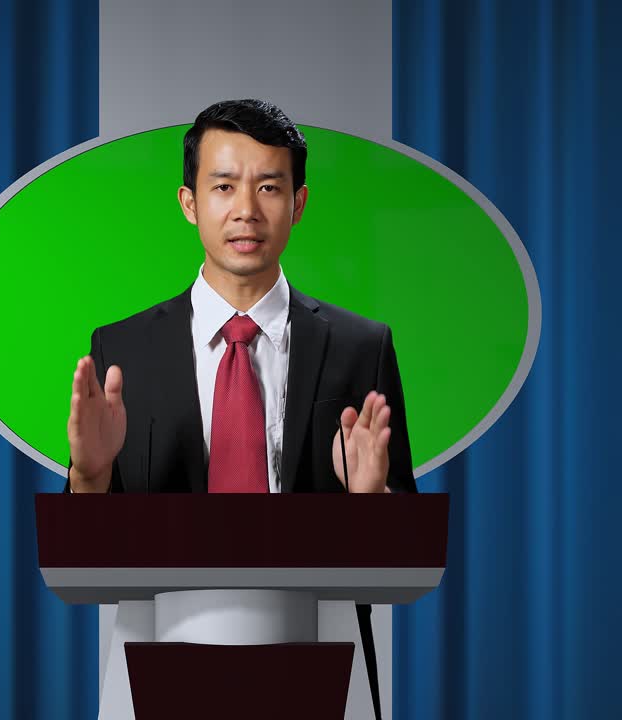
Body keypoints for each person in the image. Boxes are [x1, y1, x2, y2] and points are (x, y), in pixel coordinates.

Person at [65, 99, 416, 718]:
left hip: (325, 668)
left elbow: (405, 555)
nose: (246, 210)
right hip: (157, 661)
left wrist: (372, 506)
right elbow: (81, 562)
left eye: (269, 187)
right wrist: (90, 476)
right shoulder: (123, 352)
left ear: (298, 204)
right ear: (190, 203)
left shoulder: (362, 348)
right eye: (223, 186)